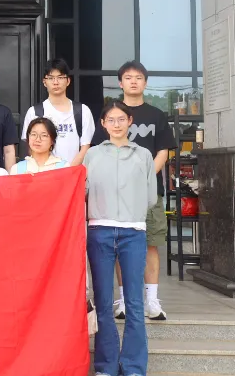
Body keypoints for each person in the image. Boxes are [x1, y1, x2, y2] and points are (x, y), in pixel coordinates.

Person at [90, 60, 177, 321]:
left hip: (148, 192)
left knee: (151, 244)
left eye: (138, 78)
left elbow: (163, 152)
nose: (134, 82)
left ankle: (152, 300)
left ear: (145, 83)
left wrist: (143, 178)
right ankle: (123, 300)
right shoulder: (111, 115)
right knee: (118, 244)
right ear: (120, 83)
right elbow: (99, 154)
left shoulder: (156, 115)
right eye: (128, 78)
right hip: (113, 196)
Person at [84, 101, 155, 376]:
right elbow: (83, 191)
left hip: (133, 232)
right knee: (103, 302)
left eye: (121, 119)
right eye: (110, 120)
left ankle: (134, 367)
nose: (116, 124)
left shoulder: (143, 155)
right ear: (103, 123)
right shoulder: (92, 155)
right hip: (99, 231)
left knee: (134, 303)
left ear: (130, 121)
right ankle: (106, 366)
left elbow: (151, 196)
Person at [20, 58, 93, 167]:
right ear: (44, 82)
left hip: (73, 173)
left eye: (60, 77)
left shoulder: (83, 111)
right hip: (45, 173)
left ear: (68, 81)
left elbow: (85, 147)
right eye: (51, 78)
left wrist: (68, 171)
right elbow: (31, 146)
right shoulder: (35, 112)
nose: (55, 82)